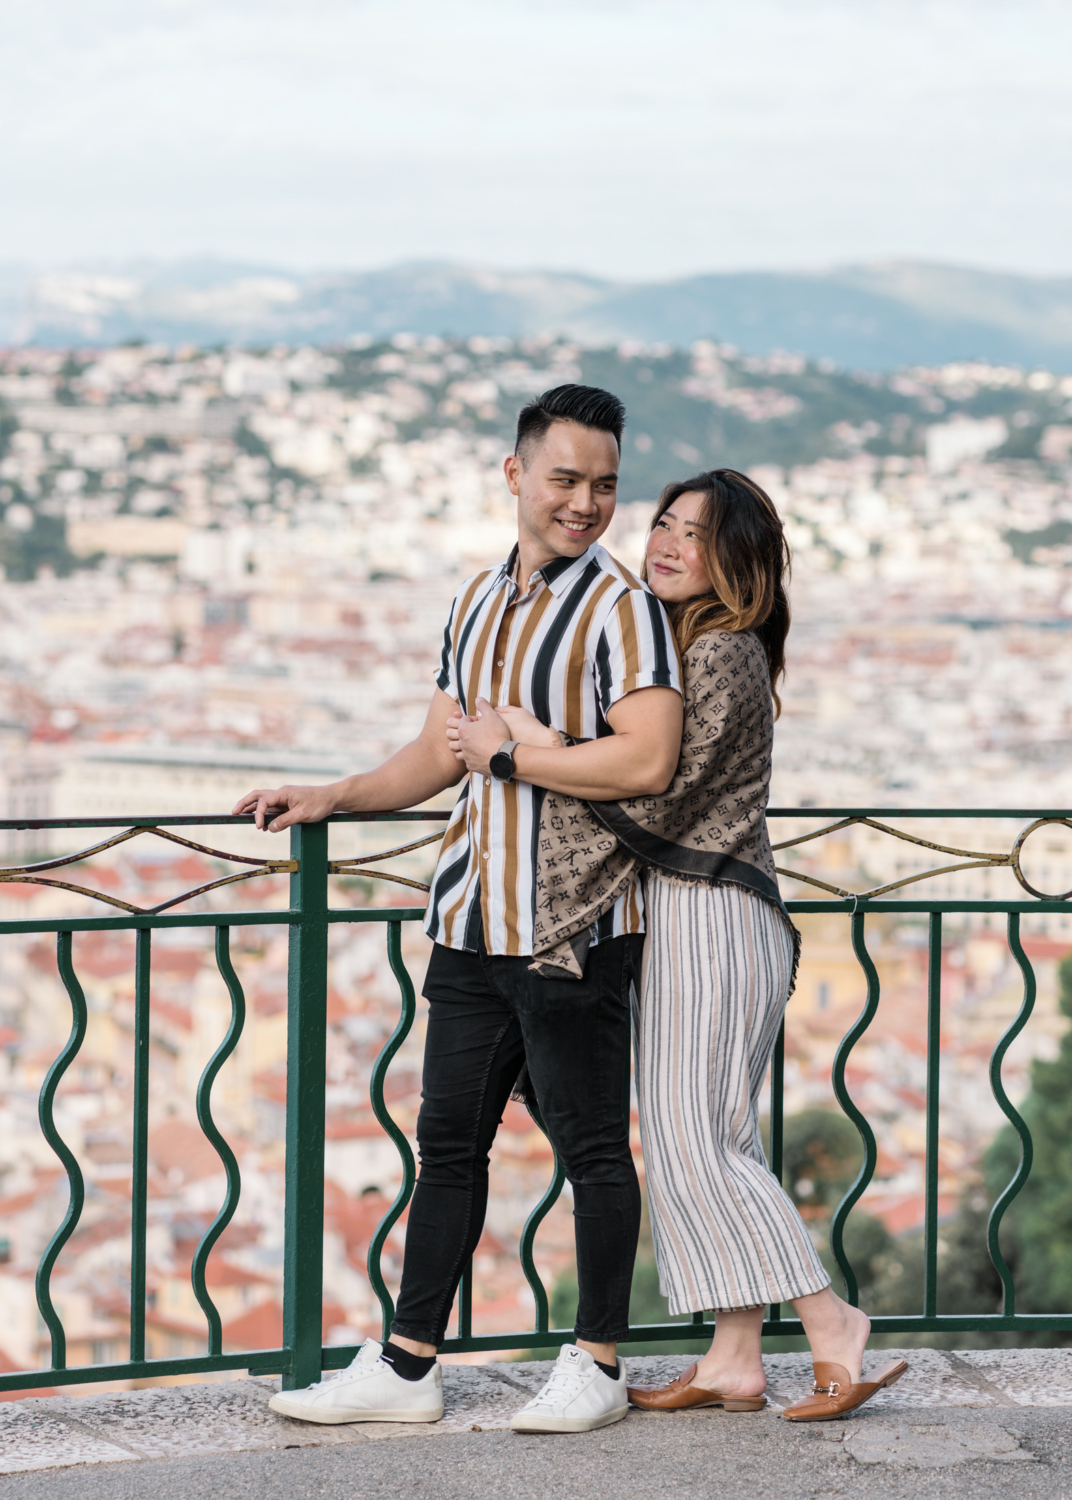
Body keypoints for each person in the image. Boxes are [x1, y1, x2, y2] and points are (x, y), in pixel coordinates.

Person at [232, 384, 683, 1435]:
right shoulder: (477, 599)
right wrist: (333, 795)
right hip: (473, 916)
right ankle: (407, 1364)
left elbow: (651, 757)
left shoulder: (622, 609)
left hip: (572, 923)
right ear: (515, 474)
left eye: (605, 486)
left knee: (591, 1151)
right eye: (566, 478)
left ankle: (597, 1361)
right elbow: (439, 750)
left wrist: (518, 752)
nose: (585, 503)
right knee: (446, 1145)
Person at [450, 469, 907, 1422]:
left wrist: (518, 750)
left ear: (736, 563)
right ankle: (735, 1357)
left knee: (695, 1141)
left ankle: (833, 1323)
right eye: (663, 523)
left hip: (712, 912)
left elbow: (657, 798)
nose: (664, 542)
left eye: (695, 536)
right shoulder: (689, 644)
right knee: (709, 1136)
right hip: (692, 918)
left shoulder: (722, 653)